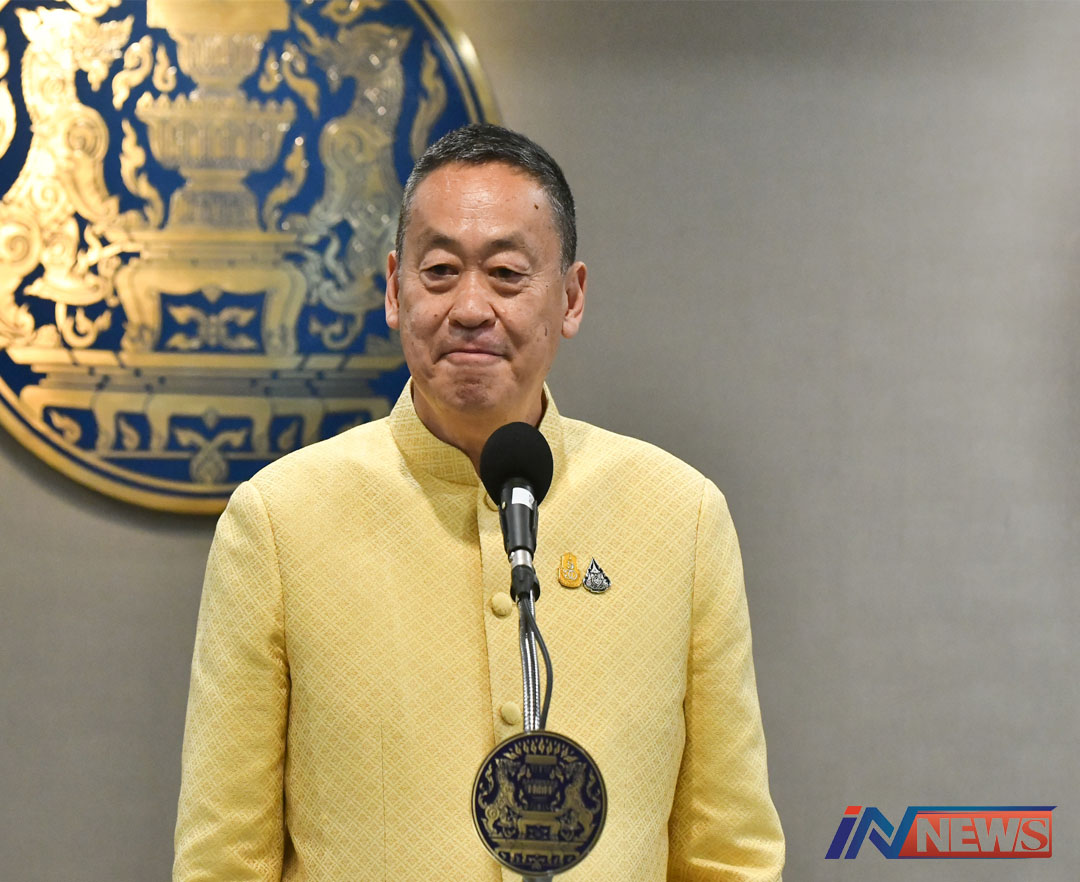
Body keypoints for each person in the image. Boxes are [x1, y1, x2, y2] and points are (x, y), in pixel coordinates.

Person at [173, 124, 785, 881]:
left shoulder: (678, 517)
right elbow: (224, 860)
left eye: (505, 273)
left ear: (571, 297)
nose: (469, 306)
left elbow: (728, 853)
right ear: (394, 289)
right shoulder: (278, 522)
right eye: (439, 271)